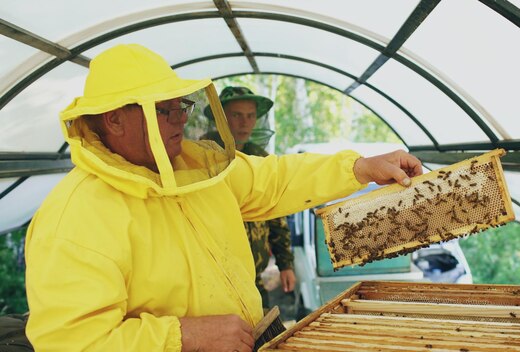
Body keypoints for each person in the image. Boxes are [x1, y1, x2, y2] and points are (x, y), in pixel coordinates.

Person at [24, 44, 423, 352]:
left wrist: (358, 168)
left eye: (180, 106)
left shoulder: (196, 167)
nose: (181, 118)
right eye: (164, 111)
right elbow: (70, 341)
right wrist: (182, 336)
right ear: (114, 120)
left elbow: (276, 179)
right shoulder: (74, 218)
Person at [201, 86, 295, 310]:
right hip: (214, 284)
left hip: (255, 281)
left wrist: (285, 264)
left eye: (250, 116)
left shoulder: (261, 160)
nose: (245, 123)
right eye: (236, 115)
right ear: (220, 118)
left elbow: (276, 211)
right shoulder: (200, 159)